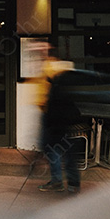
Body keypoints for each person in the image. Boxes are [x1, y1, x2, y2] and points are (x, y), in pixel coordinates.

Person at [36, 46, 81, 194]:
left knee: (54, 148)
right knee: (62, 150)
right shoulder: (59, 70)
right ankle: (71, 183)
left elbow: (52, 95)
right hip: (59, 117)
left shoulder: (53, 70)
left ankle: (60, 181)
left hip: (55, 117)